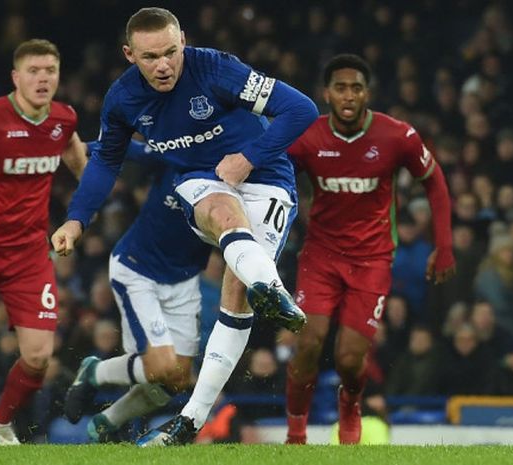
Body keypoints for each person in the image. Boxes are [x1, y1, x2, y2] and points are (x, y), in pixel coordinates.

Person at [49, 7, 318, 445]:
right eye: (151, 56)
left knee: (237, 296)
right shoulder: (122, 100)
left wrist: (248, 156)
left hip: (268, 180)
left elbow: (301, 109)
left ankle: (189, 422)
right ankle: (273, 287)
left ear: (184, 43)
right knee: (222, 214)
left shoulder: (216, 68)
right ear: (129, 55)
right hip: (202, 182)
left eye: (171, 52)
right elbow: (106, 163)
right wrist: (77, 220)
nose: (164, 65)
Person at [284, 54, 454, 444]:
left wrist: (443, 246)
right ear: (326, 93)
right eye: (340, 87)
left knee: (348, 359)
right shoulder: (307, 136)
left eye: (356, 88)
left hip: (373, 260)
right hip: (320, 256)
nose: (348, 95)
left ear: (367, 94)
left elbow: (435, 182)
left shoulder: (397, 136)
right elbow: (274, 178)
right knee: (308, 344)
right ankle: (295, 434)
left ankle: (351, 404)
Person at [62, 140, 212, 443]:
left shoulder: (239, 178)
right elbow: (126, 148)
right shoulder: (179, 155)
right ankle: (94, 372)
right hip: (137, 269)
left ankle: (107, 421)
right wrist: (77, 143)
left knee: (177, 380)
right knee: (160, 368)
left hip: (183, 280)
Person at [0, 38, 87, 445]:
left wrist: (81, 215)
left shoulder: (63, 120)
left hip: (29, 255)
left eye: (50, 70)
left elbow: (82, 167)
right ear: (16, 77)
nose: (43, 78)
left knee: (38, 356)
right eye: (34, 70)